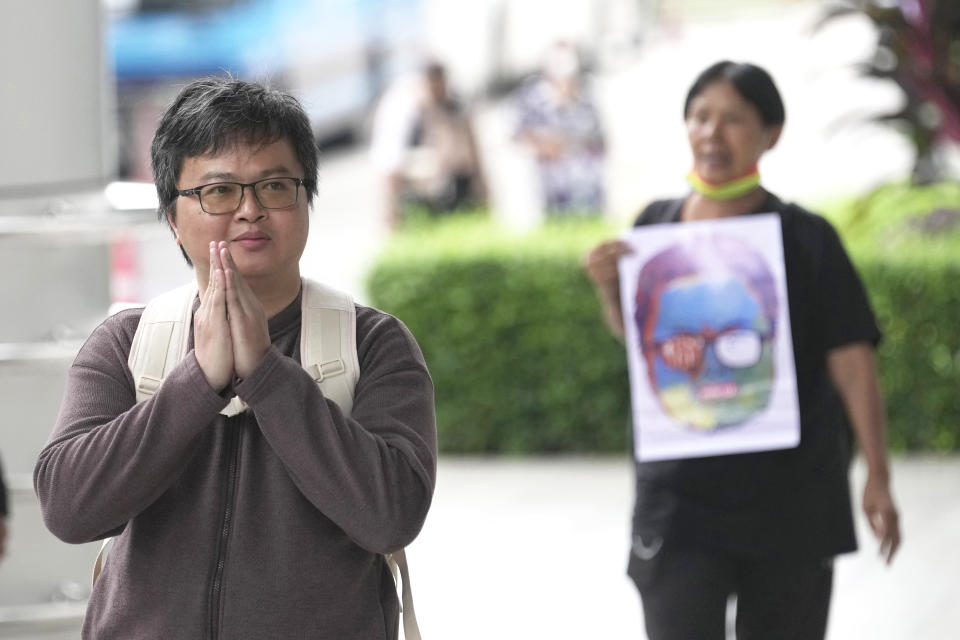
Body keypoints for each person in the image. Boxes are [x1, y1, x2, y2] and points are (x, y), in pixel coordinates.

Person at [34, 78, 437, 639]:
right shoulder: (125, 343)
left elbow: (392, 515)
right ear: (173, 217)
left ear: (305, 202)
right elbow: (70, 509)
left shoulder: (373, 343)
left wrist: (268, 374)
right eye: (219, 192)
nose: (250, 210)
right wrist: (198, 380)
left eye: (275, 186)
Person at [582, 61, 901, 639]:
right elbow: (644, 346)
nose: (712, 132)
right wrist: (610, 287)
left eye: (733, 119)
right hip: (679, 504)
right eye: (701, 116)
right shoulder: (653, 228)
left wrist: (877, 475)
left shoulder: (807, 239)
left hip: (791, 499)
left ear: (770, 133)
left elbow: (853, 363)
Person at [370, 61, 486, 228]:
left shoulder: (453, 105)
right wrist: (391, 216)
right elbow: (389, 169)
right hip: (420, 193)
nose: (438, 93)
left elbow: (472, 150)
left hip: (456, 185)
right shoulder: (403, 115)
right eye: (433, 88)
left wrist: (482, 186)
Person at [514, 41, 606, 217]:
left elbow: (599, 138)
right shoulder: (530, 96)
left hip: (585, 180)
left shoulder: (588, 93)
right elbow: (518, 136)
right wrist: (545, 145)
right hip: (547, 177)